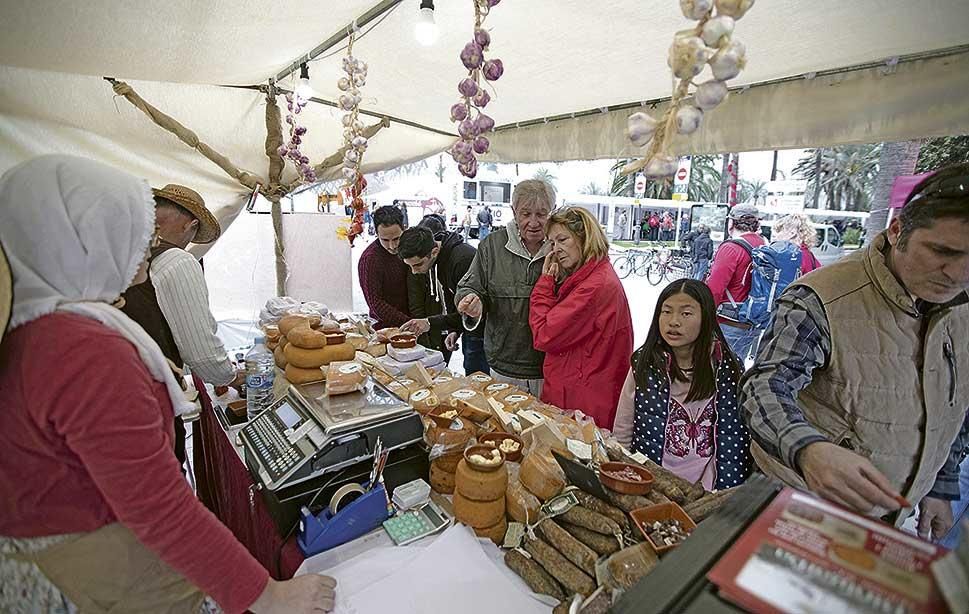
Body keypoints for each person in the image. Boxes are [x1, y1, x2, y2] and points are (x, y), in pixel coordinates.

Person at [0, 155, 336, 613]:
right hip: (98, 561)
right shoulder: (82, 350)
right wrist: (269, 594)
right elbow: (159, 508)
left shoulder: (39, 326)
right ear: (82, 239)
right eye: (131, 227)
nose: (148, 241)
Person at [741, 164, 969, 540]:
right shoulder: (822, 298)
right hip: (798, 508)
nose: (957, 273)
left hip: (891, 517)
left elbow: (957, 404)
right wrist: (807, 449)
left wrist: (940, 484)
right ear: (897, 232)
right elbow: (764, 385)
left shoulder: (963, 306)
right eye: (942, 251)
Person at [120, 184, 243, 471]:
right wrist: (231, 375)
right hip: (148, 408)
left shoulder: (125, 257)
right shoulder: (178, 260)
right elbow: (201, 354)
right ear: (191, 225)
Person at [614, 280, 751, 490]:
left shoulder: (726, 367)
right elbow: (624, 425)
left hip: (706, 487)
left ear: (705, 318)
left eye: (686, 313)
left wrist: (727, 491)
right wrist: (621, 468)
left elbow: (734, 434)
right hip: (653, 481)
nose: (673, 322)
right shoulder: (645, 364)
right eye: (666, 311)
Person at [529, 208, 632, 428]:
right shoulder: (594, 276)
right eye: (552, 243)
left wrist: (545, 284)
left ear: (584, 237)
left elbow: (544, 334)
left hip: (581, 404)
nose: (556, 250)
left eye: (562, 239)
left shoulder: (593, 286)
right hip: (584, 395)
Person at [456, 179, 554, 396]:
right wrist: (471, 300)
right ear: (513, 211)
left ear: (553, 212)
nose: (533, 222)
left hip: (550, 368)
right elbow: (469, 286)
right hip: (503, 366)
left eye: (541, 214)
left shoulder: (561, 247)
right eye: (525, 214)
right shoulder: (492, 246)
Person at [398, 226, 489, 375]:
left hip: (484, 334)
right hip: (471, 330)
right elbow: (454, 300)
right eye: (409, 266)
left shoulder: (462, 260)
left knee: (478, 379)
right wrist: (455, 330)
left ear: (433, 252)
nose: (414, 271)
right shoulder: (440, 257)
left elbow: (472, 311)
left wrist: (429, 323)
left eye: (418, 264)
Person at [706, 203, 766, 363]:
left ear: (731, 223)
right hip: (752, 321)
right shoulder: (764, 245)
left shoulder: (731, 248)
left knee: (717, 372)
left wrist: (703, 317)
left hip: (728, 322)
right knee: (735, 369)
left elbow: (714, 290)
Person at [405, 215, 451, 364]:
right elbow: (416, 304)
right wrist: (425, 340)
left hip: (449, 326)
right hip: (431, 328)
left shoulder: (449, 260)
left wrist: (455, 330)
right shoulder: (416, 266)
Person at [358, 205, 411, 329]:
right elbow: (375, 303)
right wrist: (410, 323)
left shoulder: (409, 247)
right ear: (376, 233)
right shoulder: (370, 259)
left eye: (397, 239)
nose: (392, 246)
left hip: (414, 323)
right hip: (385, 329)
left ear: (404, 229)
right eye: (385, 240)